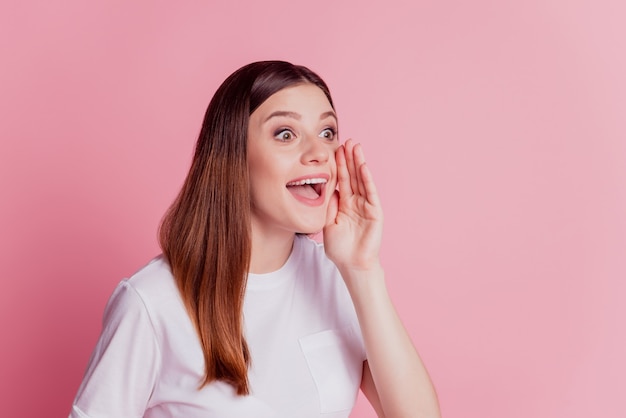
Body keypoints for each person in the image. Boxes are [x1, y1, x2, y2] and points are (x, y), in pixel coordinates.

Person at [69, 61, 440, 418]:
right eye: (286, 134)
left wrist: (363, 270)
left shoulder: (337, 277)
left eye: (327, 133)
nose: (318, 154)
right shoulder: (151, 301)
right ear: (233, 156)